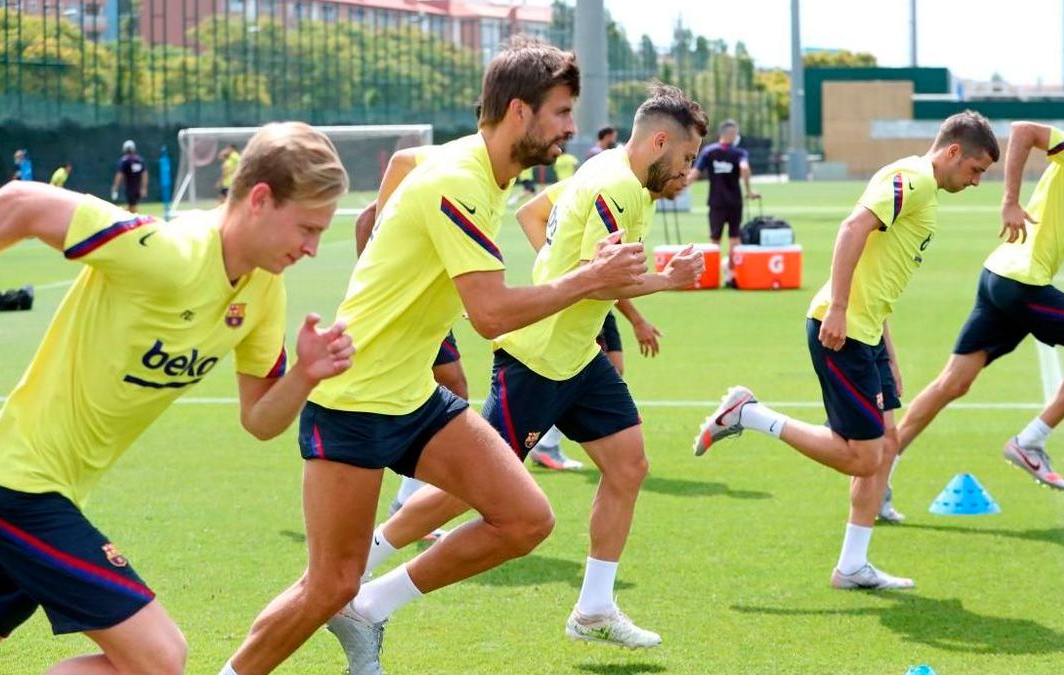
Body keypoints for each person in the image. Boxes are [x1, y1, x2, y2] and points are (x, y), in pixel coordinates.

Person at [221, 38, 647, 675]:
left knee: (525, 518)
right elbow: (492, 314)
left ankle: (372, 609)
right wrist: (592, 278)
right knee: (328, 585)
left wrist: (378, 242)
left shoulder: (470, 164)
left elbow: (400, 162)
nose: (571, 128)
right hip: (353, 398)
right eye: (560, 111)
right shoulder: (460, 181)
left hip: (415, 396)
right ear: (519, 113)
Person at [0, 122, 354, 674]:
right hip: (17, 489)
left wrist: (304, 375)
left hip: (37, 487)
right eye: (306, 228)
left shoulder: (261, 288)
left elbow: (259, 418)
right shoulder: (172, 254)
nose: (312, 248)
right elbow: (19, 203)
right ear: (259, 199)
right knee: (159, 659)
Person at [363, 85, 707, 656]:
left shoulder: (612, 169)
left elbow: (536, 212)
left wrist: (556, 265)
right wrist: (670, 279)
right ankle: (361, 564)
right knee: (474, 488)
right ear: (661, 141)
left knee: (629, 464)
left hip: (578, 356)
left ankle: (594, 607)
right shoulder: (617, 187)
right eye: (688, 160)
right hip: (537, 358)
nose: (689, 173)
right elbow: (607, 278)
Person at [693, 111, 1000, 590]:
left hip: (868, 331)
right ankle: (749, 414)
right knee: (862, 457)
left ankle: (853, 565)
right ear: (954, 152)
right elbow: (852, 229)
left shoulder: (922, 189)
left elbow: (880, 273)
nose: (977, 182)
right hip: (843, 330)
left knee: (888, 443)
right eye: (976, 170)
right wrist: (838, 307)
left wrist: (889, 351)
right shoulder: (913, 179)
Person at [886, 121, 1064, 508]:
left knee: (953, 383)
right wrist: (1009, 200)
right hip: (1021, 283)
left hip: (1000, 277)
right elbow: (1024, 131)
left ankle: (880, 474)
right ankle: (1030, 442)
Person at [515, 180, 665, 471]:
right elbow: (528, 214)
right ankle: (545, 444)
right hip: (577, 306)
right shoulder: (610, 186)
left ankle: (548, 443)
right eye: (685, 162)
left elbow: (606, 277)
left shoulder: (642, 198)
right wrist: (559, 273)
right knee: (495, 461)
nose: (686, 176)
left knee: (613, 368)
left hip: (596, 303)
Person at [353, 145, 460, 541]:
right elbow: (369, 217)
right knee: (380, 402)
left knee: (450, 387)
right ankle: (402, 504)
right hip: (401, 307)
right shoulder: (448, 160)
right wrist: (374, 271)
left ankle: (406, 500)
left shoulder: (477, 177)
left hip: (429, 307)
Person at [688, 119, 759, 286]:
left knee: (715, 240)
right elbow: (744, 168)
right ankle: (730, 274)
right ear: (733, 135)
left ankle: (712, 276)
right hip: (735, 201)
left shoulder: (709, 152)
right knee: (734, 238)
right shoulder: (739, 153)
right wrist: (749, 190)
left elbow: (695, 173)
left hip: (716, 202)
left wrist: (680, 188)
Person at [111, 140, 148, 214]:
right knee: (132, 206)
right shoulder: (139, 160)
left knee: (132, 208)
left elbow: (119, 175)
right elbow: (144, 175)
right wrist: (143, 188)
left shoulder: (124, 160)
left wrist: (115, 187)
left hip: (130, 188)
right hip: (137, 187)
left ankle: (136, 221)